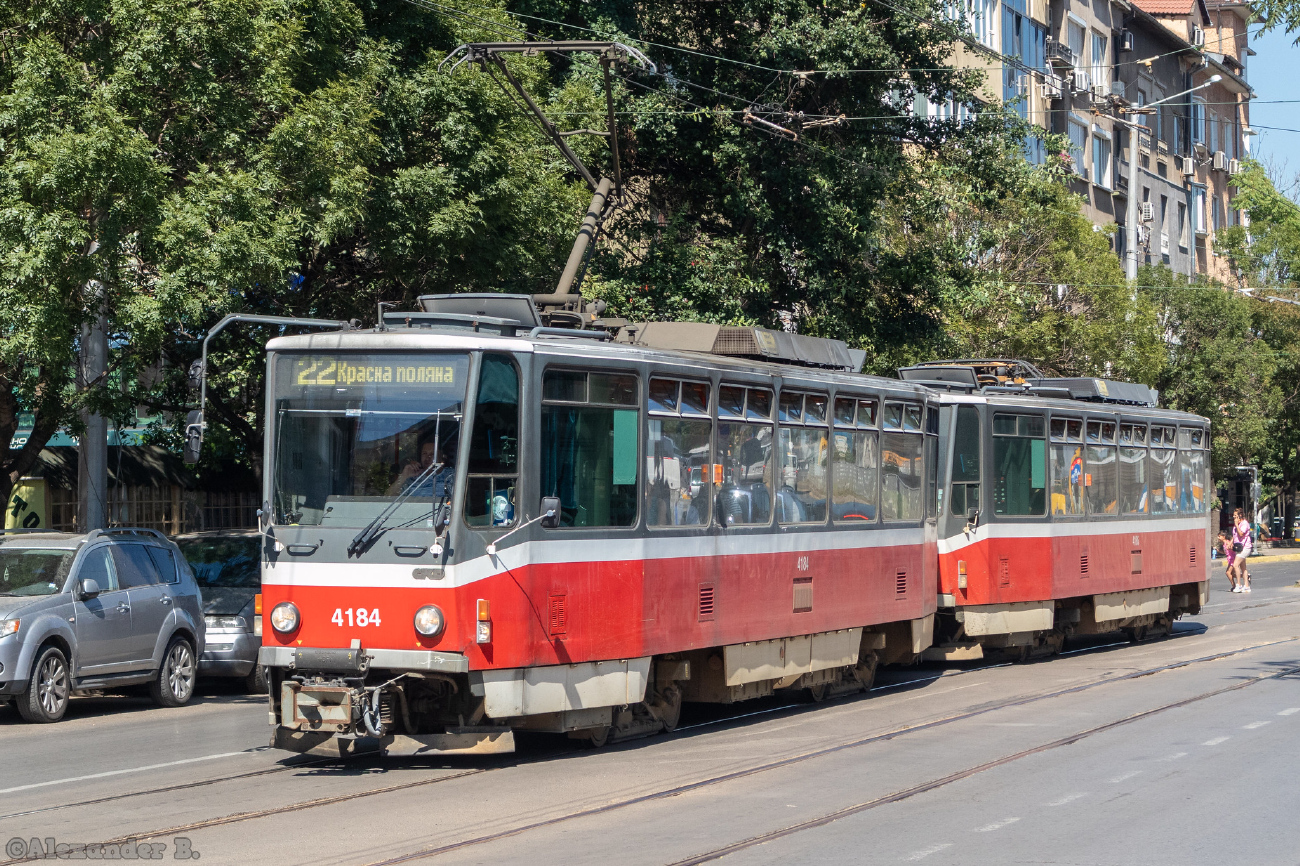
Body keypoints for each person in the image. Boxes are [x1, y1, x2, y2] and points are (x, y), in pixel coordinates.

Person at [386, 438, 454, 498]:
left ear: (442, 457)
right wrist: (404, 476)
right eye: (424, 453)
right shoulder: (412, 478)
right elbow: (388, 498)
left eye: (432, 454)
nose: (428, 458)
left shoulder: (452, 476)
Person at [1232, 508, 1253, 593]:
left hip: (1245, 547)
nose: (1234, 517)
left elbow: (1241, 534)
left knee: (1235, 565)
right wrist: (1231, 542)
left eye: (1236, 516)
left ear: (1240, 515)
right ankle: (1247, 586)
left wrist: (1237, 525)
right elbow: (1235, 535)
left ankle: (1239, 585)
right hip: (1238, 547)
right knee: (1243, 567)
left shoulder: (1244, 523)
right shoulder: (1237, 524)